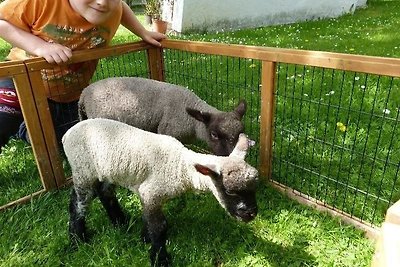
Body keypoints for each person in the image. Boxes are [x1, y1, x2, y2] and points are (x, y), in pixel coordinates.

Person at [0, 0, 166, 153]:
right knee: (3, 120)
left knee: (67, 142)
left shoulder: (113, 7)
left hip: (67, 95)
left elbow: (121, 7)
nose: (102, 2)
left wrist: (143, 32)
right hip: (21, 80)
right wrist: (39, 47)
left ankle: (27, 130)